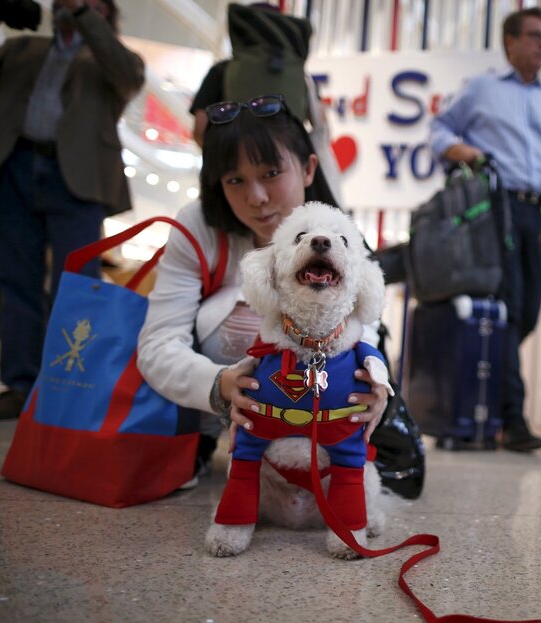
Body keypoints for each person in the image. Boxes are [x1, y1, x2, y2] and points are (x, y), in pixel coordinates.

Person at [136, 95, 388, 486]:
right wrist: (220, 384)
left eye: (271, 173)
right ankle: (202, 440)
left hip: (322, 422)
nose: (256, 197)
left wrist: (376, 385)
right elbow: (157, 343)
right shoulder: (197, 227)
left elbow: (365, 322)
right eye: (235, 180)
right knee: (232, 314)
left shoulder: (336, 233)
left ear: (308, 169)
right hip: (215, 412)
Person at [0, 0, 145, 420]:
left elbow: (126, 74)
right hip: (12, 169)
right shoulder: (22, 49)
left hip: (78, 182)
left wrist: (87, 17)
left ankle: (69, 388)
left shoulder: (113, 60)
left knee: (78, 287)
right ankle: (19, 386)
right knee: (15, 282)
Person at [429, 7, 541, 452]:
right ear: (510, 42)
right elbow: (439, 129)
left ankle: (495, 400)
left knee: (526, 311)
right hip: (492, 207)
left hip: (535, 211)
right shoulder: (481, 89)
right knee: (510, 307)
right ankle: (513, 418)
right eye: (534, 36)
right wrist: (466, 151)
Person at [188, 2, 342, 200]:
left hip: (234, 180)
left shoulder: (224, 70)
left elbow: (200, 128)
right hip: (288, 179)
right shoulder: (301, 77)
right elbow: (322, 126)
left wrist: (228, 161)